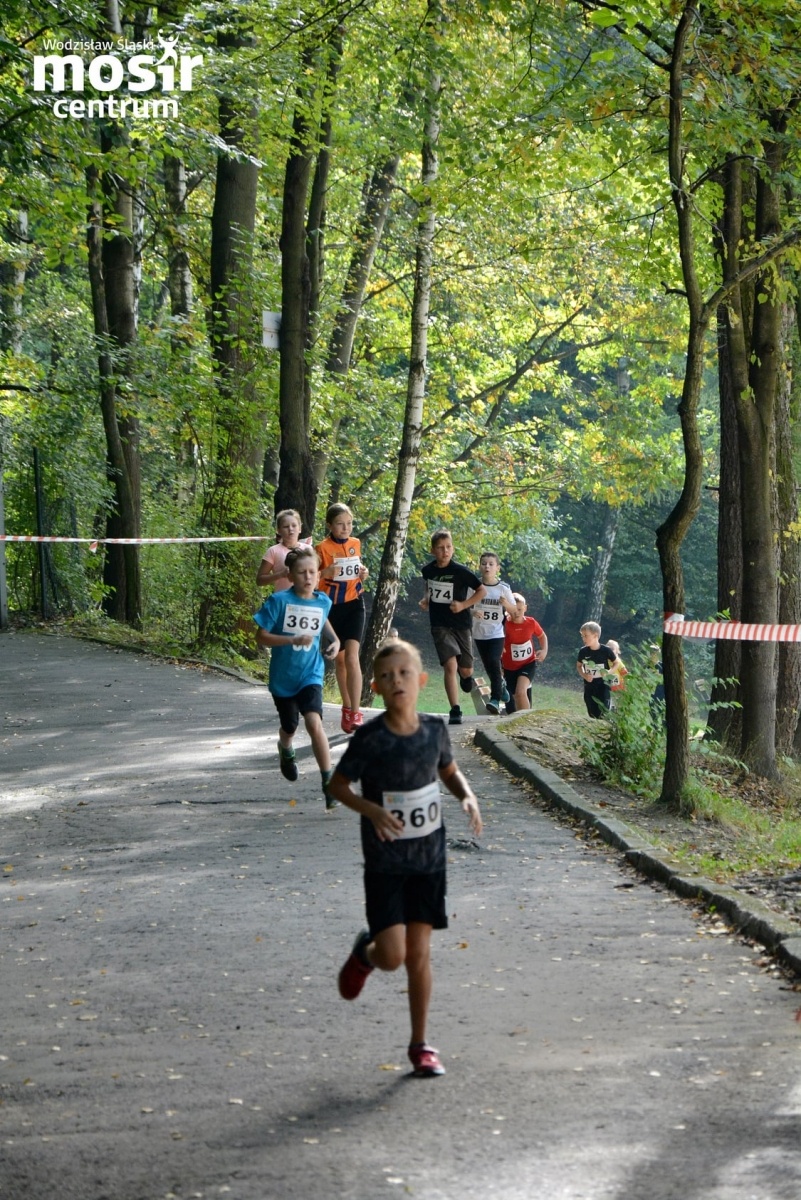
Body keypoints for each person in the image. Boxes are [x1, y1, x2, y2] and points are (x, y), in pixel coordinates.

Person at [329, 639, 483, 1077]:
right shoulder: (370, 739)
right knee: (393, 956)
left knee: (419, 955)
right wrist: (372, 809)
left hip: (428, 860)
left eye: (404, 673)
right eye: (387, 675)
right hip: (385, 863)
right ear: (375, 686)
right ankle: (366, 954)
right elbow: (337, 786)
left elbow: (448, 771)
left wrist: (467, 797)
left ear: (421, 680)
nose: (396, 680)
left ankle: (421, 1044)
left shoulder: (434, 730)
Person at [253, 545, 340, 808]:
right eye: (301, 572)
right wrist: (290, 639)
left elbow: (322, 620)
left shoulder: (323, 600)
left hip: (310, 673)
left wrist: (334, 641)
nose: (308, 577)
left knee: (314, 723)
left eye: (312, 571)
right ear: (290, 576)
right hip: (283, 678)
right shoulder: (279, 601)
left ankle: (328, 782)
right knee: (290, 726)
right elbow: (261, 637)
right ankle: (286, 748)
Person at [419, 530, 486, 725]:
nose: (445, 551)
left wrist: (464, 605)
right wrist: (426, 599)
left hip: (462, 624)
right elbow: (428, 585)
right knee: (450, 665)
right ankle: (455, 709)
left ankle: (466, 677)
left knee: (465, 670)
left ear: (453, 549)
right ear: (432, 550)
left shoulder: (461, 571)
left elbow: (481, 590)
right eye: (440, 548)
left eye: (448, 547)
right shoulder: (428, 570)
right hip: (439, 624)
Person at [316, 503, 370, 734]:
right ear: (330, 525)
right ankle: (347, 708)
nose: (345, 528)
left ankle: (356, 712)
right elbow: (310, 578)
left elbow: (357, 571)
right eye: (340, 524)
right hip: (331, 608)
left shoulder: (355, 544)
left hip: (354, 604)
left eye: (349, 523)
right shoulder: (322, 549)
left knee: (352, 657)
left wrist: (363, 573)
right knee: (339, 661)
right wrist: (324, 573)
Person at [471, 551, 515, 715]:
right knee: (490, 666)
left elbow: (515, 610)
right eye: (484, 563)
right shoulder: (474, 586)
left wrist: (505, 604)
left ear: (497, 567)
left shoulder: (503, 588)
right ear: (480, 566)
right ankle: (501, 685)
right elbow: (466, 605)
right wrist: (472, 612)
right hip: (479, 633)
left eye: (491, 564)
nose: (487, 566)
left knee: (493, 661)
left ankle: (495, 699)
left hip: (497, 634)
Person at [499, 592, 548, 714]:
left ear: (525, 608)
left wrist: (544, 650)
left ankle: (528, 721)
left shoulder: (531, 622)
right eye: (514, 609)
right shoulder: (504, 624)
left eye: (520, 609)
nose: (517, 612)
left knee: (521, 692)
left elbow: (542, 636)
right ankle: (515, 722)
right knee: (513, 699)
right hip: (509, 668)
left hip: (528, 664)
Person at [256, 508, 310, 591]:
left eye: (294, 525)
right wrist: (281, 574)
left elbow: (316, 575)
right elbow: (259, 580)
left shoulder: (308, 549)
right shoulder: (273, 551)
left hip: (303, 600)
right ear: (278, 530)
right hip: (282, 600)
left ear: (300, 528)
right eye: (286, 526)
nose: (290, 529)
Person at [576, 622, 621, 718]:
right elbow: (579, 666)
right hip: (589, 686)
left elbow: (616, 663)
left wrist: (608, 672)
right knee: (592, 712)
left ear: (595, 635)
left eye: (586, 636)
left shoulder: (606, 650)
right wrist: (584, 675)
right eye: (582, 636)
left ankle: (610, 712)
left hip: (603, 685)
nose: (583, 639)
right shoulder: (583, 651)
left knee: (603, 711)